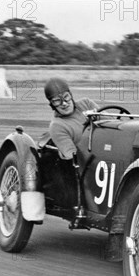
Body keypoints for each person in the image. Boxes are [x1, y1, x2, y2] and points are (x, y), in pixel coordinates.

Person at [44, 77, 98, 228]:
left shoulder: (87, 104)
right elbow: (73, 157)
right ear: (51, 105)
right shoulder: (57, 126)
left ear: (71, 95)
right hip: (87, 164)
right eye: (57, 101)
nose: (64, 103)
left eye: (66, 97)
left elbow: (107, 123)